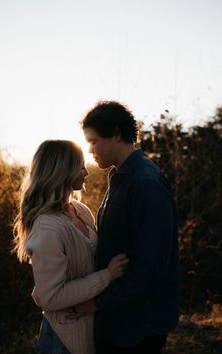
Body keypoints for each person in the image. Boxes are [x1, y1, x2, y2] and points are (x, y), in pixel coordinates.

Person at [71, 101, 180, 354]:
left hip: (137, 327)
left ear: (117, 134)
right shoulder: (120, 177)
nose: (90, 150)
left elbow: (151, 268)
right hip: (119, 320)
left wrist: (96, 303)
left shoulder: (146, 184)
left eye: (94, 141)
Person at [12, 139, 129, 354]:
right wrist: (108, 275)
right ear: (63, 171)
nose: (86, 172)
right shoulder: (48, 227)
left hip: (89, 327)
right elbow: (51, 297)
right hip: (62, 338)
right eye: (81, 166)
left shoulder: (80, 210)